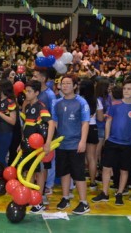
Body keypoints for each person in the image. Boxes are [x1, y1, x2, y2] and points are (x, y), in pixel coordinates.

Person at [92, 79, 131, 206]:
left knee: (124, 170)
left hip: (127, 144)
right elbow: (108, 122)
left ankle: (119, 193)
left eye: (129, 89)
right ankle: (105, 193)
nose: (126, 91)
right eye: (125, 88)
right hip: (112, 141)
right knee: (106, 168)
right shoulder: (115, 105)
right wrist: (107, 138)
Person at [51, 75, 91, 215]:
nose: (65, 85)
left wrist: (83, 141)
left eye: (68, 83)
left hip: (76, 144)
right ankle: (65, 198)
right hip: (61, 144)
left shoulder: (81, 102)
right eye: (63, 83)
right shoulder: (57, 103)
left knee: (78, 174)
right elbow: (54, 123)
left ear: (75, 86)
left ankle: (84, 203)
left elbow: (85, 123)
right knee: (64, 172)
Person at [21, 80, 55, 214]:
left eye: (29, 91)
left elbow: (51, 124)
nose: (27, 93)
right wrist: (21, 143)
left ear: (36, 93)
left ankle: (39, 200)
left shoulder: (41, 107)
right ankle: (31, 197)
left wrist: (47, 144)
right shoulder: (28, 107)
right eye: (26, 91)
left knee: (40, 172)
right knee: (30, 170)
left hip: (39, 146)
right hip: (28, 145)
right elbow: (26, 126)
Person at [79, 79, 104, 190]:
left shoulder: (78, 100)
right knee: (92, 157)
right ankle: (93, 182)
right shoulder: (97, 101)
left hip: (79, 128)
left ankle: (77, 181)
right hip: (92, 128)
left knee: (78, 156)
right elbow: (100, 118)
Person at [0, 79, 17, 166]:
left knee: (1, 158)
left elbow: (13, 121)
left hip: (5, 133)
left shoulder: (10, 102)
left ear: (4, 88)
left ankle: (2, 178)